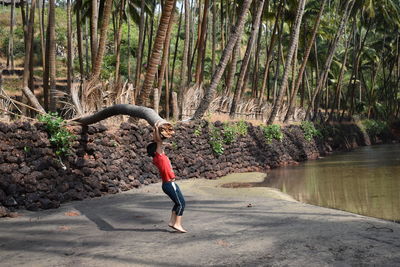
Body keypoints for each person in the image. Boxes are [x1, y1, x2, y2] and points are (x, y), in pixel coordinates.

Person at [146, 122, 187, 233]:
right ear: (156, 151)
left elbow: (158, 142)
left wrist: (156, 130)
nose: (162, 147)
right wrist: (156, 128)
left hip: (168, 184)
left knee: (178, 203)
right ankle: (177, 224)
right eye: (160, 148)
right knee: (181, 203)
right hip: (169, 184)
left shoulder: (159, 157)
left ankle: (172, 222)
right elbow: (158, 141)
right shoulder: (159, 157)